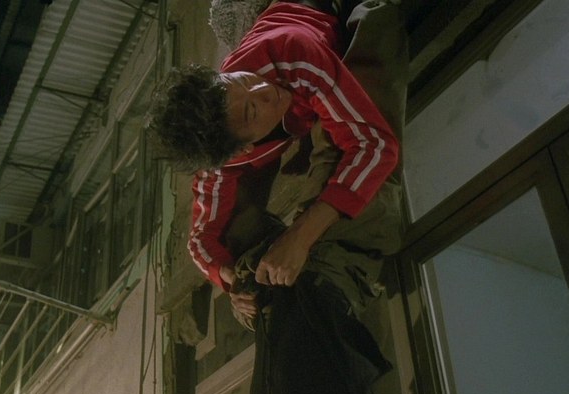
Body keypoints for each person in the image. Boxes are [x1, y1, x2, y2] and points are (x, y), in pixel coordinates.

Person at [148, 0, 405, 326]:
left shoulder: (291, 52)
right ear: (240, 150)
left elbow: (376, 145)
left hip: (318, 14)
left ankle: (333, 280)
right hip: (303, 99)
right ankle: (267, 287)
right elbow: (200, 242)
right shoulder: (221, 162)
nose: (264, 89)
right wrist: (231, 282)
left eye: (242, 80)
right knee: (233, 222)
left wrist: (299, 237)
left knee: (343, 145)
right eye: (252, 111)